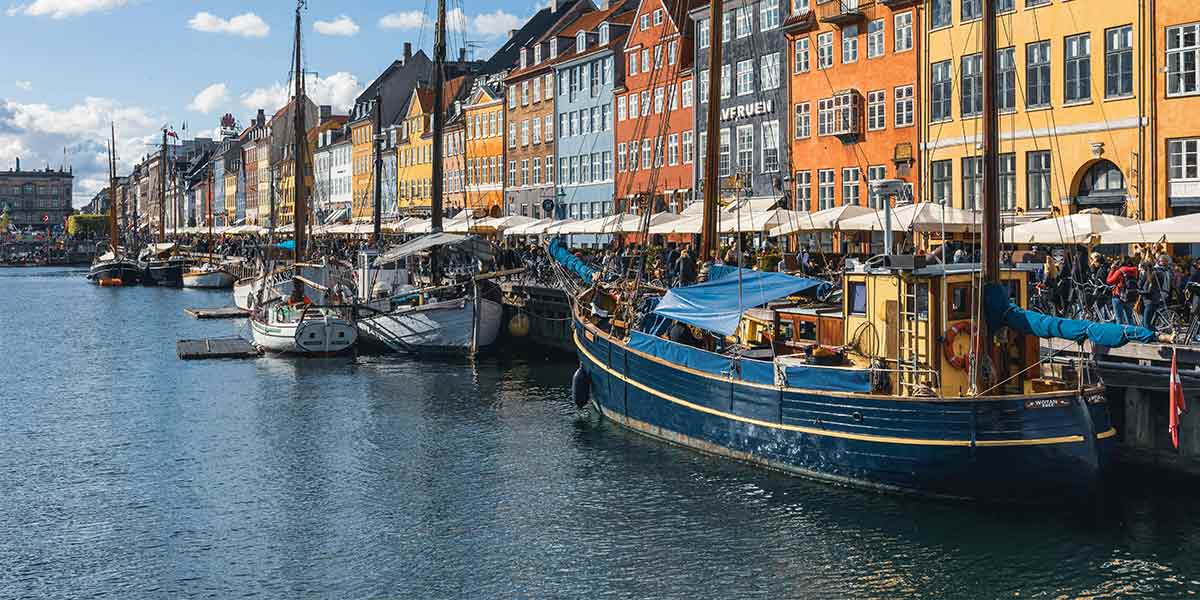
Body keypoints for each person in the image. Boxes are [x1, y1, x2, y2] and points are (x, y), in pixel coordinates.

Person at [1106, 258, 1138, 325]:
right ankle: (1132, 333)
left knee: (1119, 318)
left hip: (1119, 296)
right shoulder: (1134, 271)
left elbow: (1109, 281)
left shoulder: (1120, 271)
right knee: (1130, 317)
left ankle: (1120, 334)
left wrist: (1112, 269)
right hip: (1130, 296)